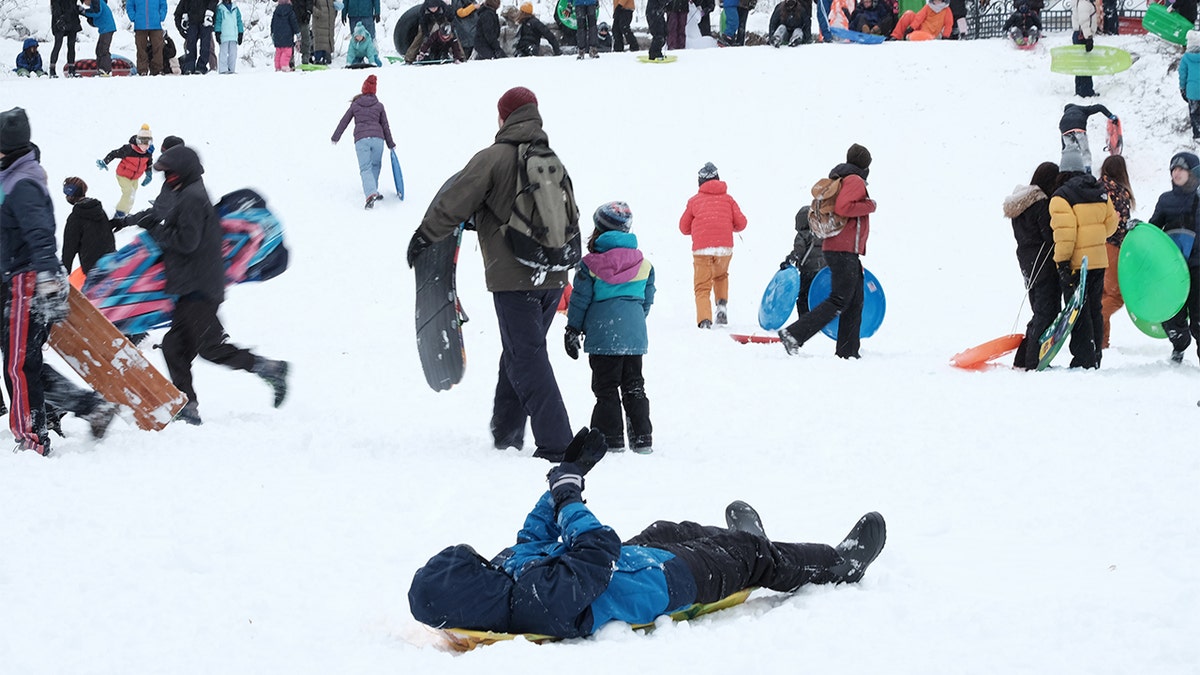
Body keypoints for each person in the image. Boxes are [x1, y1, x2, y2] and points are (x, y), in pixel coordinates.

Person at [408, 431, 887, 639]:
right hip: (667, 584)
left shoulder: (508, 579)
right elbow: (597, 548)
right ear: (476, 588)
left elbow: (533, 536)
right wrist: (571, 501)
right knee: (743, 555)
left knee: (670, 528)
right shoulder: (534, 602)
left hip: (641, 561)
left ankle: (755, 549)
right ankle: (837, 565)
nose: (491, 561)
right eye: (481, 567)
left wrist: (570, 473)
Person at [405, 87, 575, 461]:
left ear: (504, 117)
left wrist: (423, 237)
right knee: (520, 352)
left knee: (527, 357)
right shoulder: (550, 158)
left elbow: (455, 200)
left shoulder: (494, 158)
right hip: (552, 275)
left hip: (515, 278)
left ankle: (558, 443)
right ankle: (506, 430)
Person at [119, 145, 289, 426]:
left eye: (171, 173)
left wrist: (154, 228)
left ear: (183, 171)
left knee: (209, 348)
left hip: (198, 287)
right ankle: (188, 407)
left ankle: (270, 369)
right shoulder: (189, 194)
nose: (167, 178)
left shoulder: (192, 198)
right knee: (175, 347)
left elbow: (187, 241)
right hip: (193, 285)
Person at [0, 108, 119, 456]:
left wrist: (49, 283)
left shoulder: (22, 182)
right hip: (12, 280)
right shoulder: (11, 175)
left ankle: (33, 439)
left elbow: (40, 235)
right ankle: (90, 407)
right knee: (23, 361)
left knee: (20, 364)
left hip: (27, 282)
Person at [564, 202, 656, 454]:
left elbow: (580, 300)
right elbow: (646, 301)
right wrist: (633, 322)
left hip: (604, 335)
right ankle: (642, 439)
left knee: (606, 388)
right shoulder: (644, 264)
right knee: (634, 386)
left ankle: (610, 440)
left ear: (598, 230)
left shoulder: (589, 265)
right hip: (634, 336)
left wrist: (573, 329)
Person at [779, 144, 876, 359]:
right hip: (842, 249)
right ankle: (794, 334)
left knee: (855, 301)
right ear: (865, 164)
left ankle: (848, 352)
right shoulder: (855, 180)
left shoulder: (841, 179)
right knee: (839, 300)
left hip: (841, 249)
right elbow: (843, 208)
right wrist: (869, 206)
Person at [1048, 157, 1119, 369]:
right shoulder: (1100, 192)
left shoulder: (1061, 197)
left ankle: (1083, 359)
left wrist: (1062, 263)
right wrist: (1094, 238)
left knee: (1077, 312)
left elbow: (1065, 235)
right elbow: (1111, 226)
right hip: (1098, 261)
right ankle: (1095, 355)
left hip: (1076, 264)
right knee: (1095, 309)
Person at [1004, 162, 1061, 371]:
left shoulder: (1020, 206)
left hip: (1028, 264)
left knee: (1039, 311)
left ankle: (1023, 358)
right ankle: (1032, 361)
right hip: (1043, 263)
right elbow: (1049, 236)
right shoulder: (1041, 205)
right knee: (1046, 313)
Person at [679, 162, 748, 329]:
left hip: (702, 249)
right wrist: (726, 226)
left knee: (702, 286)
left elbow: (683, 227)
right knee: (721, 276)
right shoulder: (728, 200)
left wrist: (700, 229)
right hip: (724, 248)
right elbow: (742, 223)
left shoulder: (694, 201)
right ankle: (721, 305)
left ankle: (704, 320)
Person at [1148, 152, 1200, 364]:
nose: (1176, 173)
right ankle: (1179, 342)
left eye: (1181, 169)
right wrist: (1136, 230)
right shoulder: (1165, 200)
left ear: (1194, 173)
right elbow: (1153, 229)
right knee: (1172, 314)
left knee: (1198, 317)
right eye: (1173, 170)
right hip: (1172, 269)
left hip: (1198, 266)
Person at [331, 75, 395, 208]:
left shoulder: (355, 105)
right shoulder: (379, 106)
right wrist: (390, 144)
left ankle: (371, 193)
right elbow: (385, 126)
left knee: (365, 168)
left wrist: (335, 137)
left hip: (361, 140)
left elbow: (344, 121)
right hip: (378, 139)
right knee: (376, 165)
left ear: (363, 89)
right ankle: (373, 190)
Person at [1097, 155, 1134, 350]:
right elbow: (1121, 225)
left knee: (1102, 293)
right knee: (1116, 296)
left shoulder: (1096, 189)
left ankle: (1102, 342)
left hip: (1094, 246)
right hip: (1112, 247)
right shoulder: (1118, 192)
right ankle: (1093, 319)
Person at [779, 206, 826, 320]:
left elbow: (798, 251)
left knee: (803, 297)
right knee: (818, 296)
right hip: (823, 272)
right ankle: (818, 321)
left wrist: (789, 260)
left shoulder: (802, 235)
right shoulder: (822, 234)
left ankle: (804, 321)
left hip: (808, 270)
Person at [60, 177, 115, 275]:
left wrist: (64, 273)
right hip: (112, 261)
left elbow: (69, 250)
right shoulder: (99, 210)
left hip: (94, 269)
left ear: (71, 194)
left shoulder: (75, 218)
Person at [97, 124, 154, 218]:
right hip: (123, 175)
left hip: (135, 177)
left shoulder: (148, 152)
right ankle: (119, 213)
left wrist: (149, 174)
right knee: (128, 192)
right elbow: (114, 154)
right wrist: (105, 161)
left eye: (148, 141)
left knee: (132, 195)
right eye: (142, 141)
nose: (145, 145)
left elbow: (149, 163)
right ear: (138, 140)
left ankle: (125, 212)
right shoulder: (128, 149)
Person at [1059, 103, 1116, 177]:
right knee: (1084, 150)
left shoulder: (1066, 115)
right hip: (1078, 125)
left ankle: (1069, 168)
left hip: (1064, 127)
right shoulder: (1082, 109)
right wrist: (1110, 116)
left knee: (1070, 149)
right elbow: (1099, 107)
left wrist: (1064, 151)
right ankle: (1087, 168)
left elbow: (1063, 144)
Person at [174, 0, 216, 75]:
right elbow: (178, 12)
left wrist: (210, 14)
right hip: (192, 21)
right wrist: (181, 29)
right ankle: (189, 67)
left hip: (205, 21)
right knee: (190, 46)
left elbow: (214, 2)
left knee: (205, 46)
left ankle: (201, 67)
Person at [127, 0, 167, 76]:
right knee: (141, 48)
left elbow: (163, 5)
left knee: (158, 48)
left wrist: (161, 16)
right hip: (140, 25)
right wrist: (133, 17)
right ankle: (142, 70)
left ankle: (157, 70)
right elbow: (130, 5)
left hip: (156, 25)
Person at [1070, 0, 1100, 97]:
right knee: (1086, 64)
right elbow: (1084, 22)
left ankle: (1080, 89)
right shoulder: (1084, 3)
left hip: (1079, 35)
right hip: (1082, 36)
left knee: (1081, 63)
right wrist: (1088, 38)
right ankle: (1086, 91)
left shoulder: (1082, 2)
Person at [80, 0, 116, 76]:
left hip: (107, 28)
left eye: (84, 2)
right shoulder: (96, 3)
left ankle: (106, 70)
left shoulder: (96, 1)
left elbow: (97, 12)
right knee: (99, 50)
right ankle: (101, 69)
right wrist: (86, 14)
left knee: (103, 50)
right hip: (105, 29)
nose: (85, 4)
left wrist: (84, 12)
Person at [50, 0, 83, 77]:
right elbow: (55, 5)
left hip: (72, 18)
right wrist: (59, 18)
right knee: (58, 45)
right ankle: (52, 70)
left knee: (71, 45)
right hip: (61, 19)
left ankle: (71, 70)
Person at [214, 0, 244, 74]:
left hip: (233, 35)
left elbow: (239, 21)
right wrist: (217, 32)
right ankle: (223, 69)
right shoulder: (220, 9)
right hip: (224, 35)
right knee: (223, 52)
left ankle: (231, 68)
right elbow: (218, 21)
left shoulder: (235, 8)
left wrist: (240, 32)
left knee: (233, 53)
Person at [1181, 30, 1200, 142]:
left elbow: (1183, 75)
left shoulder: (1186, 58)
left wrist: (1182, 88)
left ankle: (1197, 134)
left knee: (1194, 113)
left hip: (1192, 91)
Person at [270, 0, 301, 71]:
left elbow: (273, 23)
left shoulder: (276, 11)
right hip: (287, 35)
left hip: (278, 36)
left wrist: (272, 33)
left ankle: (277, 66)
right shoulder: (290, 11)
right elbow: (294, 23)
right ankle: (284, 66)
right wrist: (298, 33)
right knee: (287, 52)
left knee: (278, 52)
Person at [311, 0, 335, 64]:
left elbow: (334, 4)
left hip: (329, 23)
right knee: (319, 42)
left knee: (328, 42)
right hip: (319, 23)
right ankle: (318, 59)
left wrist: (335, 10)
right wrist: (319, 13)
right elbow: (310, 5)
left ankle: (326, 58)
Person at [294, 0, 313, 64]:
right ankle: (289, 60)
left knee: (306, 39)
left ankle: (305, 59)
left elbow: (310, 2)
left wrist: (308, 11)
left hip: (303, 15)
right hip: (290, 14)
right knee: (288, 40)